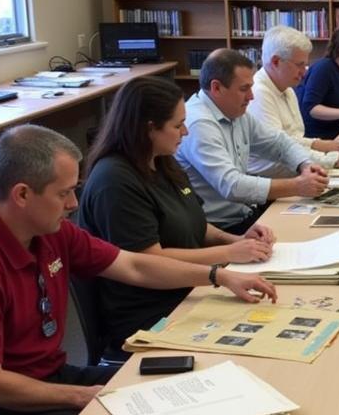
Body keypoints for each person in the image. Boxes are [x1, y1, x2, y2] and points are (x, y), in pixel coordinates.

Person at [0, 125, 276, 415]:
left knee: (179, 389)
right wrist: (78, 396)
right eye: (64, 193)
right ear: (22, 195)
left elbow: (133, 265)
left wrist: (217, 276)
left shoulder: (52, 232)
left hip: (48, 377)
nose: (73, 204)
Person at [76, 76, 279, 351]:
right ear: (149, 129)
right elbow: (149, 260)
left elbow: (193, 222)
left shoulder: (161, 161)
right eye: (177, 125)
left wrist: (236, 240)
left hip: (190, 289)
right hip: (150, 311)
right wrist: (227, 258)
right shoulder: (114, 182)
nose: (185, 131)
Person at [175, 48, 329, 234]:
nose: (251, 96)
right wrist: (297, 186)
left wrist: (305, 164)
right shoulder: (199, 123)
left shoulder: (235, 112)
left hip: (247, 214)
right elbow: (232, 186)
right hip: (221, 228)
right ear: (216, 88)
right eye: (243, 89)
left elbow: (278, 142)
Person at [246, 25, 339, 173]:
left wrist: (316, 144)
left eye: (305, 65)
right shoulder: (259, 94)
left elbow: (292, 138)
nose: (304, 72)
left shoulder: (287, 89)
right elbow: (281, 149)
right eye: (299, 65)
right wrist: (332, 160)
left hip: (293, 170)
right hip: (274, 181)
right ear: (276, 62)